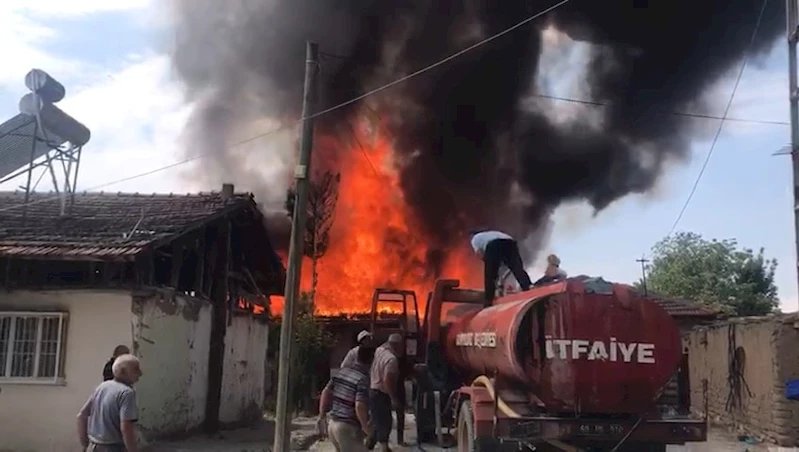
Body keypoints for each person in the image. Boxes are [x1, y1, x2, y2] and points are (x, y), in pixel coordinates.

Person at [78, 354, 142, 452]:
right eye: (135, 369)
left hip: (93, 446)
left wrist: (85, 444)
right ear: (123, 372)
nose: (140, 373)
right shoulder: (126, 392)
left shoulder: (102, 387)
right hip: (113, 447)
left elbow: (81, 416)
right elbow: (126, 428)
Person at [319, 345, 376, 452]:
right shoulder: (362, 379)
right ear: (371, 360)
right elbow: (359, 405)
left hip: (333, 424)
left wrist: (322, 415)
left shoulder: (342, 372)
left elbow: (326, 392)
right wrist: (366, 428)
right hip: (346, 427)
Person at [470, 229, 532, 304]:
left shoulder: (475, 238)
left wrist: (489, 263)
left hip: (494, 245)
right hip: (510, 243)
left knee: (490, 275)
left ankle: (489, 299)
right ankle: (528, 286)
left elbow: (479, 253)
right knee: (517, 268)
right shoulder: (492, 233)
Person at [370, 333, 404, 452]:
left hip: (373, 390)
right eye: (401, 345)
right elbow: (387, 380)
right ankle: (383, 448)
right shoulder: (391, 359)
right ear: (396, 345)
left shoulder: (379, 351)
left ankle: (369, 444)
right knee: (385, 422)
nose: (402, 348)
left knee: (377, 420)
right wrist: (393, 398)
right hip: (381, 394)